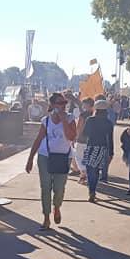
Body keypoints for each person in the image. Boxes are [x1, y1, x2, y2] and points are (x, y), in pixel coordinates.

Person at [25, 92, 77, 230]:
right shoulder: (45, 121)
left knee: (59, 188)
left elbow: (71, 137)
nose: (63, 106)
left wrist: (64, 120)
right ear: (53, 105)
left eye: (65, 103)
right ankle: (46, 217)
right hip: (45, 156)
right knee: (45, 187)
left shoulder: (71, 119)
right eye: (60, 103)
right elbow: (38, 140)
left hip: (64, 157)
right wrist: (30, 159)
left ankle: (57, 207)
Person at [82, 99, 114, 202]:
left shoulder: (90, 120)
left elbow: (84, 134)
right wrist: (111, 152)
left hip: (90, 147)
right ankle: (92, 190)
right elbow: (110, 138)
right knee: (96, 171)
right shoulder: (108, 123)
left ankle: (91, 190)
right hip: (102, 148)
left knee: (89, 170)